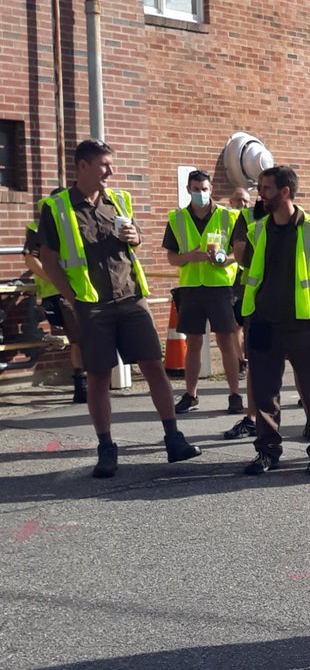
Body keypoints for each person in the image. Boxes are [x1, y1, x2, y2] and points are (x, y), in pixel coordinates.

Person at [38, 139, 202, 478]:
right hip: (92, 306)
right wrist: (72, 298)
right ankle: (106, 448)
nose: (110, 171)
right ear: (82, 166)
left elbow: (136, 238)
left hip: (130, 298)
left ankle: (174, 438)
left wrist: (135, 236)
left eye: (110, 165)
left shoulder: (119, 199)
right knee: (99, 376)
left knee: (153, 366)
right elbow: (49, 260)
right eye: (104, 165)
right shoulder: (57, 208)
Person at [238, 166, 310, 477]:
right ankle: (267, 451)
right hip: (262, 322)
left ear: (285, 192)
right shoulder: (257, 230)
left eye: (266, 189)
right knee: (264, 393)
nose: (260, 194)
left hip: (302, 324)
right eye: (260, 188)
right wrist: (246, 321)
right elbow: (249, 275)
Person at [163, 170, 244, 417]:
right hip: (191, 288)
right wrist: (188, 257)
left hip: (220, 287)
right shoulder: (177, 218)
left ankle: (234, 395)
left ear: (211, 190)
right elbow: (172, 257)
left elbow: (240, 253)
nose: (200, 193)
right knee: (193, 342)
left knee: (226, 341)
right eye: (196, 189)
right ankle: (191, 394)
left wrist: (225, 259)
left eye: (204, 189)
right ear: (188, 189)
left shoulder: (229, 216)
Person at [24, 189, 87, 404]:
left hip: (81, 290)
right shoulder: (37, 228)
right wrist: (56, 279)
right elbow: (31, 260)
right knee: (78, 339)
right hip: (58, 293)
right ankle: (81, 385)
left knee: (82, 339)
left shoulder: (75, 225)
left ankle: (86, 384)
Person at [224, 187, 260, 439]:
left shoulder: (305, 224)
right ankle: (252, 418)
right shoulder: (240, 219)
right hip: (245, 292)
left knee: (302, 365)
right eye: (239, 200)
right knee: (253, 355)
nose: (244, 204)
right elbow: (238, 254)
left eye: (246, 200)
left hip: (289, 304)